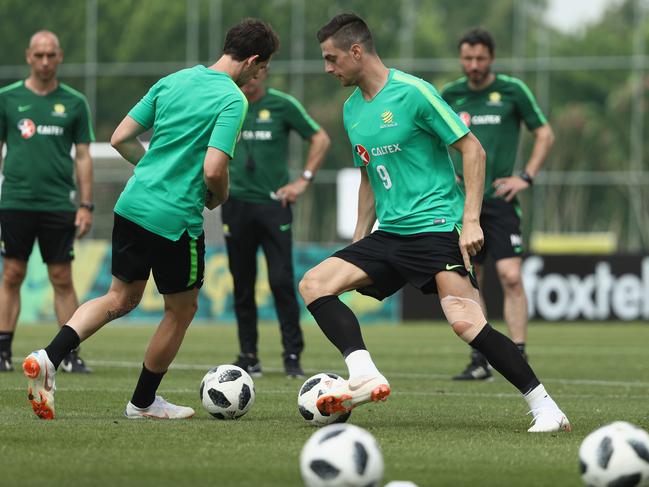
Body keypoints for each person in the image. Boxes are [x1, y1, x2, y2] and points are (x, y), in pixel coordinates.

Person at [299, 13, 570, 432]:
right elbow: (368, 177)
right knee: (314, 284)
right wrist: (357, 239)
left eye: (332, 58)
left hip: (436, 228)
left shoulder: (415, 93)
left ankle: (546, 407)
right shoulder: (352, 110)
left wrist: (472, 219)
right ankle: (365, 373)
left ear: (357, 51)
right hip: (388, 234)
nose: (328, 68)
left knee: (467, 325)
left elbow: (472, 151)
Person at [21, 18, 279, 420]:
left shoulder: (174, 80)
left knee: (118, 298)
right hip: (175, 219)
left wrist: (151, 171)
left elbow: (120, 136)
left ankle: (49, 356)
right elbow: (214, 170)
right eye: (262, 69)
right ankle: (142, 402)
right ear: (252, 61)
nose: (259, 77)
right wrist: (221, 195)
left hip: (132, 206)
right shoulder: (233, 99)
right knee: (181, 310)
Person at [441, 28, 555, 381]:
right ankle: (481, 360)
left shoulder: (512, 90)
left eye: (480, 58)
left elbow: (545, 134)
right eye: (468, 58)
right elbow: (431, 139)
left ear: (491, 58)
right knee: (472, 281)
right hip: (464, 204)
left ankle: (517, 354)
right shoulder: (450, 94)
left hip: (502, 203)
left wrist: (526, 176)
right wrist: (449, 176)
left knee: (511, 276)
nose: (473, 65)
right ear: (461, 58)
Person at [223, 67, 330, 379]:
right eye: (247, 70)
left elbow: (320, 138)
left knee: (281, 282)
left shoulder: (283, 104)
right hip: (235, 206)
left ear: (265, 71)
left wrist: (303, 181)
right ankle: (248, 356)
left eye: (258, 70)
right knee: (242, 285)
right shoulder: (226, 104)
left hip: (274, 205)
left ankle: (292, 356)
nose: (252, 76)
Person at [0, 30, 94, 373]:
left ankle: (68, 353)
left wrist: (86, 205)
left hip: (58, 203)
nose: (44, 61)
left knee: (61, 277)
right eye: (38, 55)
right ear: (28, 56)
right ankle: (2, 350)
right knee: (11, 273)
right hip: (16, 201)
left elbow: (83, 156)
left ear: (60, 56)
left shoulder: (74, 102)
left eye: (50, 55)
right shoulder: (7, 99)